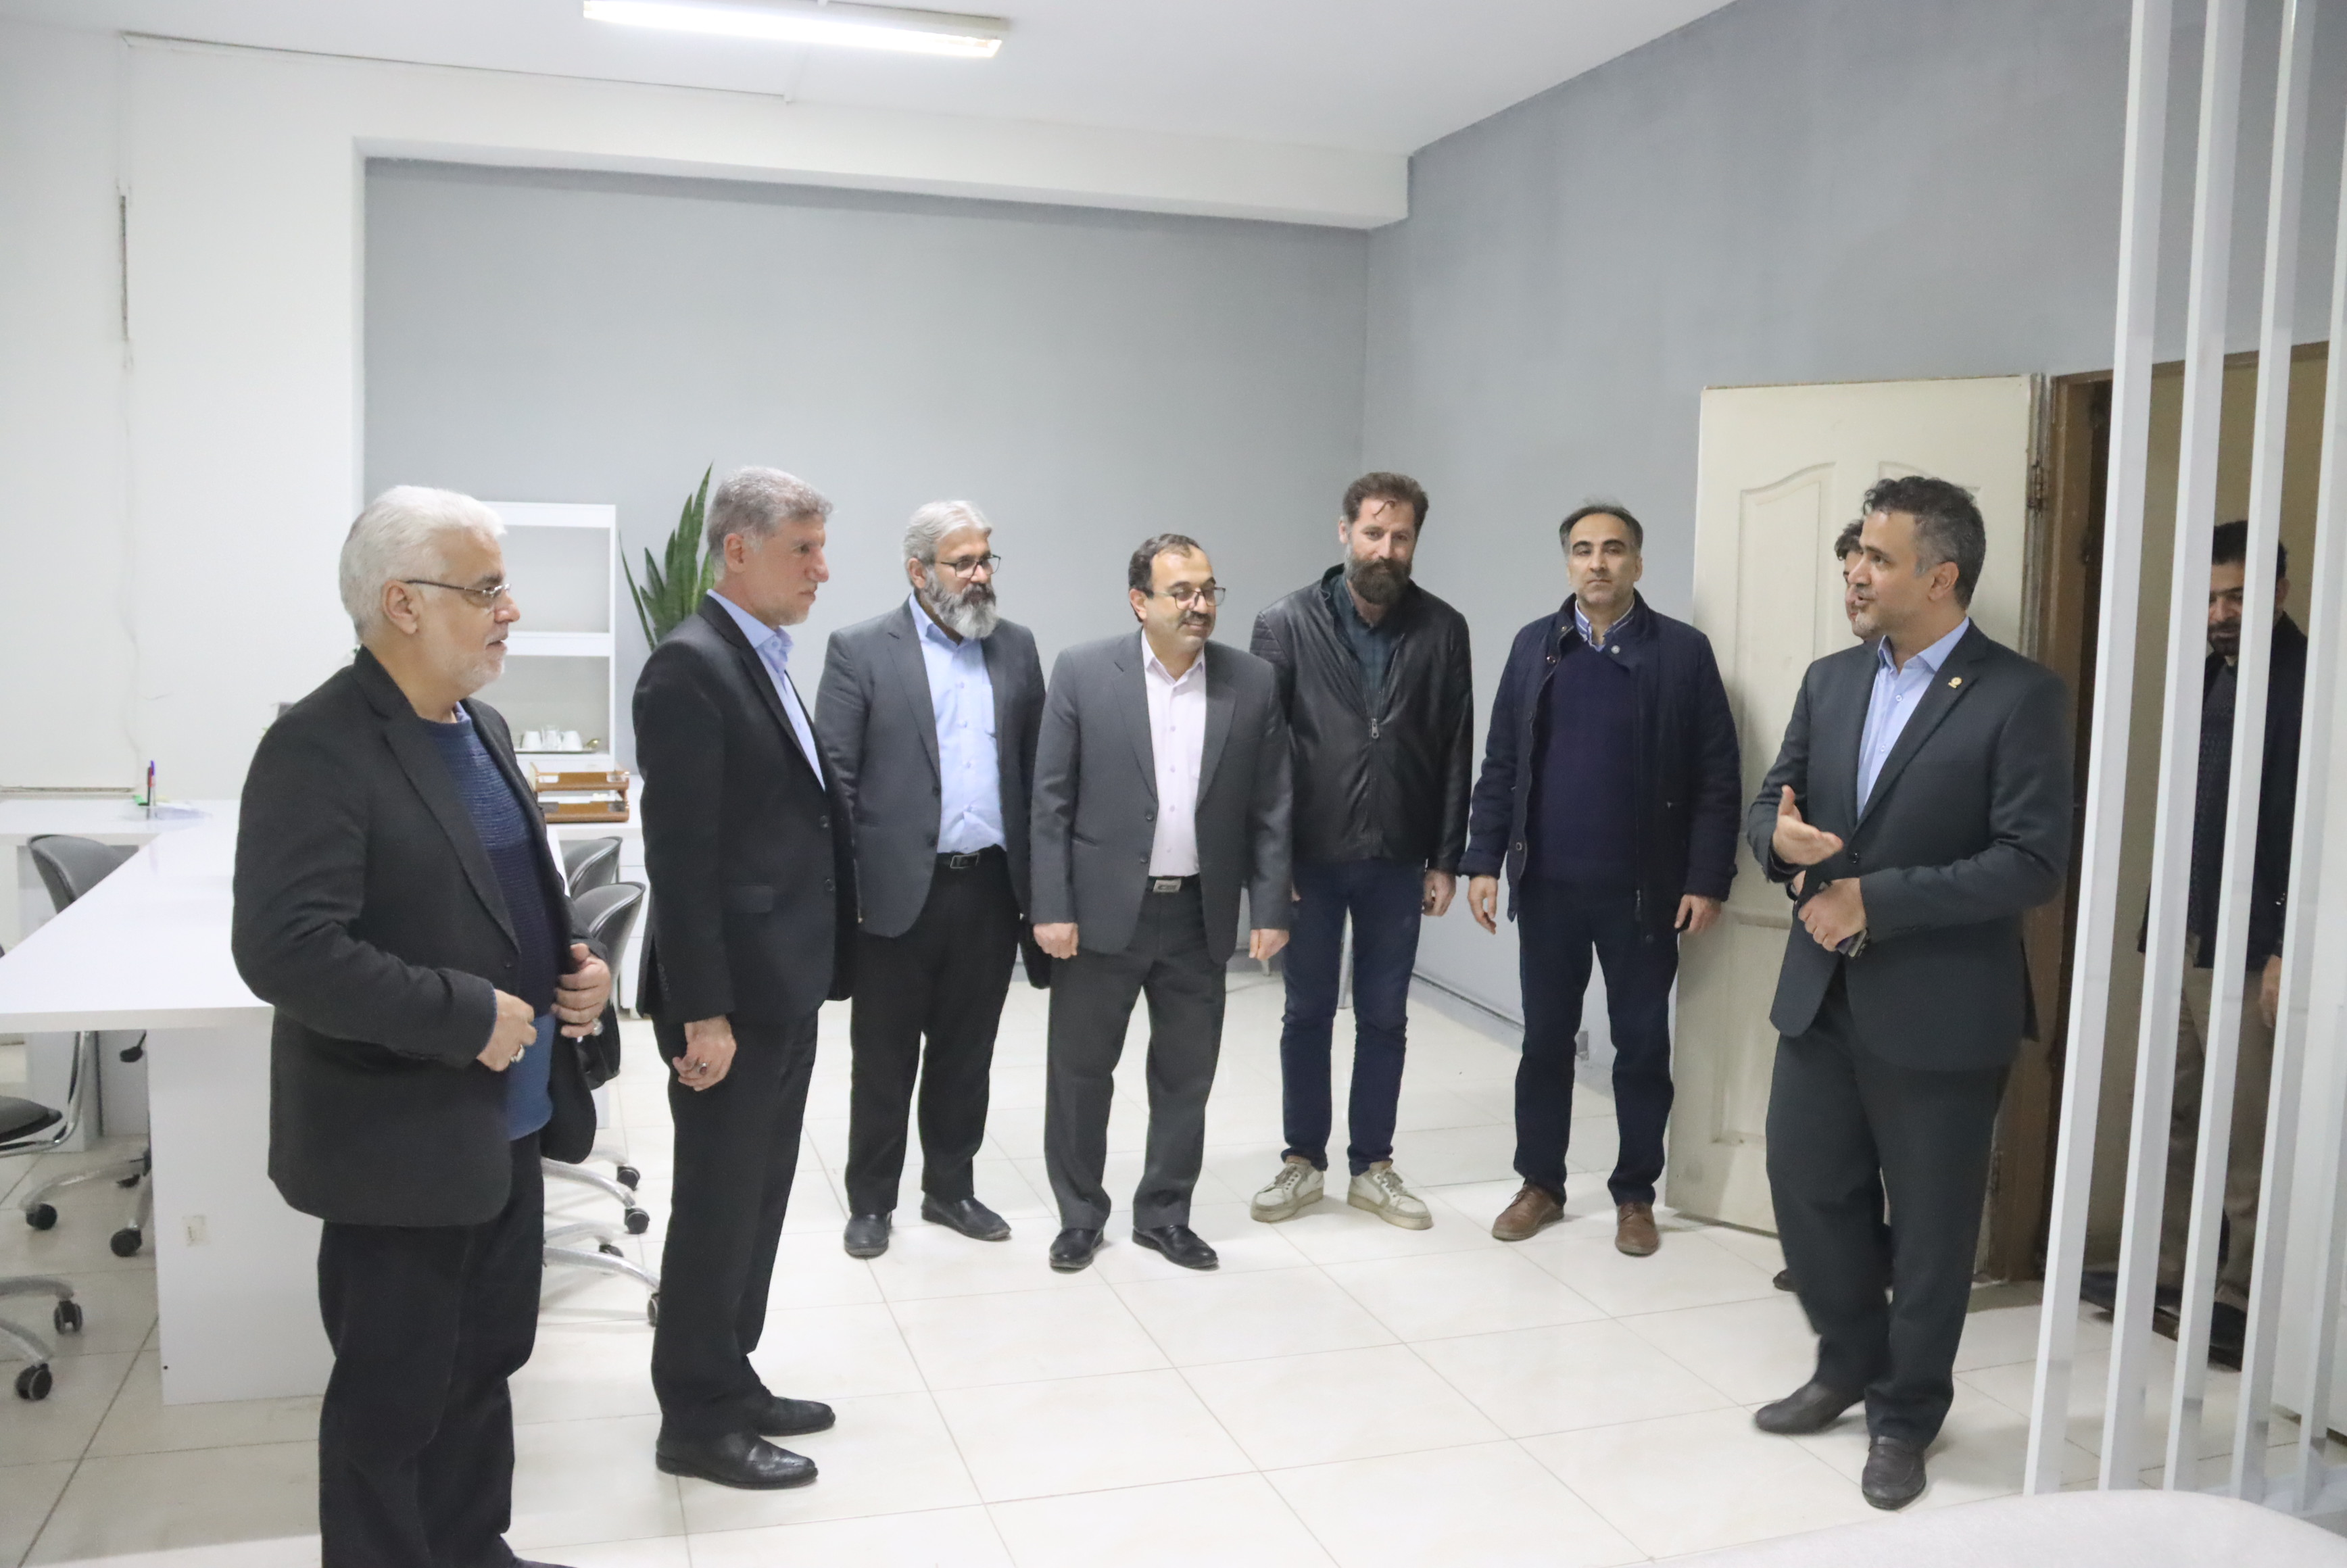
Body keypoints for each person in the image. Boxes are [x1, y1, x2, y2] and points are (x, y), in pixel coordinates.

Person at [233, 486, 615, 1568]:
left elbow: (509, 897)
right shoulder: (317, 746)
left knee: (487, 1360)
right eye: (486, 590)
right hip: (398, 1136)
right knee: (393, 1397)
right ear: (402, 603)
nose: (510, 611)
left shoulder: (483, 729)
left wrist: (578, 971)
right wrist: (463, 1015)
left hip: (507, 1123)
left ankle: (472, 1548)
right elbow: (287, 951)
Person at [1745, 475, 2071, 1511]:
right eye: (1855, 555)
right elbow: (1773, 800)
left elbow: (2031, 862)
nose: (1855, 571)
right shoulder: (1830, 680)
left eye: (1877, 558)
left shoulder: (2020, 696)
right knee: (1807, 1189)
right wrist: (1777, 840)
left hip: (1943, 1008)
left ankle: (1905, 1413)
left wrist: (1872, 901)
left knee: (1931, 1232)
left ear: (1941, 576)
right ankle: (1847, 1362)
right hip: (1822, 997)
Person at [633, 468, 855, 1490]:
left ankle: (733, 1371)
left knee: (759, 1197)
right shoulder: (690, 667)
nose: (821, 569)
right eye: (802, 549)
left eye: (819, 547)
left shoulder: (757, 655)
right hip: (729, 1000)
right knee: (718, 1205)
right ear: (737, 550)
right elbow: (682, 862)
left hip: (783, 983)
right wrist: (704, 1013)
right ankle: (696, 1416)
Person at [1459, 503, 1741, 1256]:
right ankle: (1540, 1184)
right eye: (1583, 550)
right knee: (1545, 1042)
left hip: (1643, 894)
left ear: (1637, 563)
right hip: (1548, 885)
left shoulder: (1681, 653)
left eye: (1613, 549)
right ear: (1568, 563)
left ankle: (1635, 1194)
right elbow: (1501, 763)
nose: (1598, 563)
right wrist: (1483, 860)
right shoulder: (1534, 646)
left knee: (1641, 1046)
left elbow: (1717, 775)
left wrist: (1707, 877)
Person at [1031, 534, 1293, 1273]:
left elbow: (1273, 804)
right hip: (1099, 913)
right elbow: (1049, 800)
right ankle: (1080, 1215)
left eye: (1208, 590)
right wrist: (1051, 905)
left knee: (1186, 1076)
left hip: (1197, 914)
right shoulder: (1084, 671)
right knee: (1080, 1073)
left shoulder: (1252, 681)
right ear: (1139, 601)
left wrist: (1270, 907)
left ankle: (1165, 1213)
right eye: (1181, 592)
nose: (1199, 605)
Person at [2082, 521, 2305, 1369]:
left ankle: (2242, 1301)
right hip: (2185, 931)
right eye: (2210, 598)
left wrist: (2285, 946)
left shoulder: (2309, 682)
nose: (2220, 613)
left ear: (2278, 592)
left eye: (2237, 596)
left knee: (2246, 1131)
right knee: (2170, 1111)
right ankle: (2166, 1270)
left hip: (2253, 945)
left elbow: (2312, 827)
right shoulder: (2213, 673)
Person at [817, 500, 1047, 1260]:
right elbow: (836, 783)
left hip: (988, 889)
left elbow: (1036, 775)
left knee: (965, 1054)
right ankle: (871, 1201)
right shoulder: (860, 650)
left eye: (985, 560)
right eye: (963, 563)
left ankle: (950, 1188)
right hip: (894, 895)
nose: (980, 575)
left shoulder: (1016, 649)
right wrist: (846, 897)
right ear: (919, 572)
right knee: (883, 1059)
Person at [1245, 472, 1473, 1230]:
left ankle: (1372, 1166)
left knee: (1384, 1017)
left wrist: (1446, 857)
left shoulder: (1443, 629)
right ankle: (1301, 1162)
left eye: (1401, 537)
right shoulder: (1284, 623)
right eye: (1373, 533)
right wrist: (1271, 865)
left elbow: (1455, 746)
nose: (1386, 549)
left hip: (1397, 857)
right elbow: (1263, 754)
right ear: (1345, 532)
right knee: (1306, 1012)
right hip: (1309, 860)